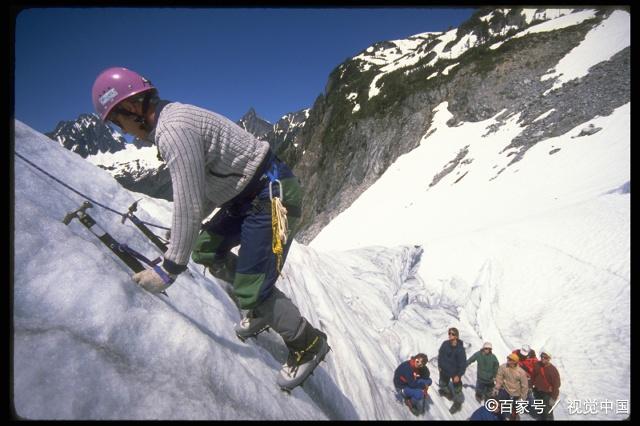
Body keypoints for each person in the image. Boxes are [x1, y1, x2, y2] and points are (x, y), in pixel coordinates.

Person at [91, 67, 329, 390]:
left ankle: (307, 343)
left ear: (131, 107)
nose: (127, 132)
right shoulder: (171, 120)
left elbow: (188, 203)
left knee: (251, 285)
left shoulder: (172, 131)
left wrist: (169, 268)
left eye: (120, 122)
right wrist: (181, 239)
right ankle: (259, 306)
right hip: (248, 195)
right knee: (205, 248)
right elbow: (200, 193)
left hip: (272, 195)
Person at [438, 327, 467, 414]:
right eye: (449, 333)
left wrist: (459, 375)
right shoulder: (445, 344)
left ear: (457, 336)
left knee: (457, 389)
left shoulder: (460, 349)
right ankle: (448, 394)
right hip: (444, 370)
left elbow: (463, 364)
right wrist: (439, 365)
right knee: (442, 384)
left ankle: (458, 403)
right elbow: (440, 355)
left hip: (455, 372)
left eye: (453, 334)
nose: (450, 335)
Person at [493, 353, 529, 420]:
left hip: (516, 393)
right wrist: (497, 387)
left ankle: (513, 417)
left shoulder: (521, 372)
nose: (508, 361)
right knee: (499, 403)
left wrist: (522, 398)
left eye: (510, 359)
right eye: (508, 359)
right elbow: (499, 376)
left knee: (514, 409)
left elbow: (525, 386)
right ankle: (498, 416)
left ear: (515, 361)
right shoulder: (503, 367)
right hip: (505, 390)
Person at [531, 349, 561, 420]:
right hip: (537, 391)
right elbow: (533, 376)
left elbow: (556, 385)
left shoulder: (553, 370)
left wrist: (553, 398)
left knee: (548, 412)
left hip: (547, 394)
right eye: (542, 357)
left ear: (549, 359)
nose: (543, 359)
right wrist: (531, 386)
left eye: (546, 357)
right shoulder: (537, 365)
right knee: (540, 409)